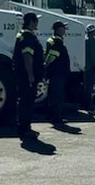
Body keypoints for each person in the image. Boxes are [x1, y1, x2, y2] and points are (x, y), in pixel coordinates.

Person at [13, 12, 43, 140]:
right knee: (27, 103)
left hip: (21, 75)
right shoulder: (28, 37)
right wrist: (30, 75)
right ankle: (25, 129)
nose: (37, 24)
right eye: (36, 21)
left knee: (25, 102)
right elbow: (27, 56)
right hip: (26, 77)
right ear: (31, 22)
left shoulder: (22, 35)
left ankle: (24, 128)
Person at [44, 21, 71, 125]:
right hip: (58, 73)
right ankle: (56, 118)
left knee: (52, 95)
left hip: (54, 73)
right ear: (59, 30)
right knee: (57, 96)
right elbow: (52, 56)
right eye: (63, 28)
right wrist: (46, 65)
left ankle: (50, 116)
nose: (64, 30)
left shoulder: (51, 40)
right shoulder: (57, 42)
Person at [84, 24, 95, 112]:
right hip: (90, 66)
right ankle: (89, 104)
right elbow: (94, 55)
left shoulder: (85, 40)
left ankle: (85, 103)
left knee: (86, 86)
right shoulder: (92, 41)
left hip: (85, 65)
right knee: (89, 87)